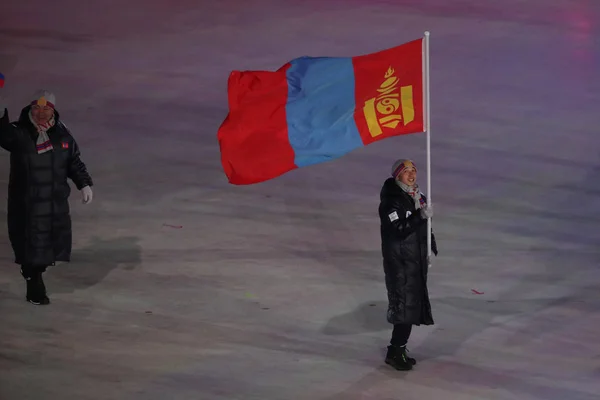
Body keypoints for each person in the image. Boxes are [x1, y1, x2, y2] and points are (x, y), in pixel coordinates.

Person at [0, 88, 93, 305]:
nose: (41, 113)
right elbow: (3, 134)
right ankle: (34, 283)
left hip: (54, 205)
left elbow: (73, 162)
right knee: (32, 248)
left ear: (53, 110)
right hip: (28, 205)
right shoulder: (20, 133)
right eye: (37, 108)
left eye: (46, 108)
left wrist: (84, 184)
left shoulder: (62, 135)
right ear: (30, 109)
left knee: (48, 248)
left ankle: (34, 271)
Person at [378, 159, 438, 371]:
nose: (411, 175)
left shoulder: (418, 196)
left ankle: (399, 349)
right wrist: (419, 216)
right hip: (400, 262)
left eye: (414, 170)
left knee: (410, 307)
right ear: (397, 176)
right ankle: (395, 351)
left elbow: (425, 227)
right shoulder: (391, 201)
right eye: (406, 172)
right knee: (404, 308)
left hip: (414, 260)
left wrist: (430, 247)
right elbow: (398, 228)